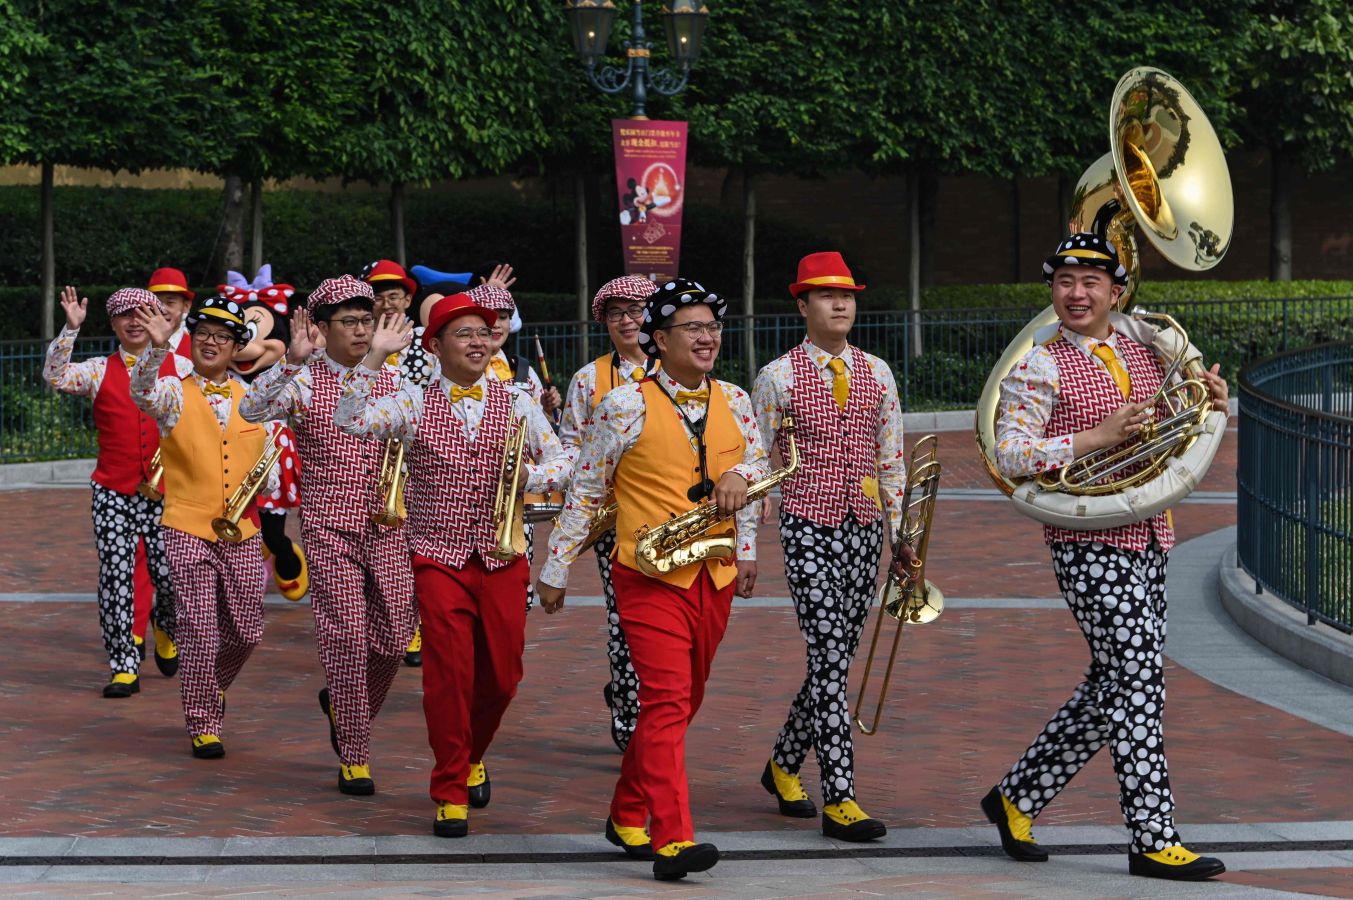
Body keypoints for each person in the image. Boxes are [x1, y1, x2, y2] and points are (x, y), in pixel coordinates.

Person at [984, 234, 1230, 881]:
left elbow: (1173, 418)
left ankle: (1016, 796)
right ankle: (1152, 836)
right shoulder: (1039, 365)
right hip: (1086, 539)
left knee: (1113, 684)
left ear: (1115, 292)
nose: (1075, 293)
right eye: (1063, 281)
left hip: (1149, 532)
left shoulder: (1145, 347)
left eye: (1090, 282)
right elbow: (1008, 454)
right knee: (1139, 684)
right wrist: (1092, 437)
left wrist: (1203, 399)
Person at [537, 277, 768, 881]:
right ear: (658, 340)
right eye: (692, 328)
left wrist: (745, 541)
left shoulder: (737, 399)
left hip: (712, 573)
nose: (707, 337)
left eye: (712, 328)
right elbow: (587, 489)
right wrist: (556, 568)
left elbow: (757, 462)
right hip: (647, 575)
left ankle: (626, 812)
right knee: (666, 700)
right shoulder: (623, 404)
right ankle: (673, 839)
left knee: (682, 702)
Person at [335, 292, 572, 838]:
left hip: (503, 553)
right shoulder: (412, 400)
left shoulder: (517, 401)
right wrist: (373, 357)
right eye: (463, 334)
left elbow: (561, 459)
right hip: (438, 558)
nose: (477, 342)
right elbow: (350, 419)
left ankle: (470, 755)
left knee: (505, 676)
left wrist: (525, 480)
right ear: (435, 345)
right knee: (448, 677)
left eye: (484, 333)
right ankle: (448, 789)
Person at [749, 251, 914, 842]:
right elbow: (755, 465)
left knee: (834, 659)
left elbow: (892, 460)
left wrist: (904, 538)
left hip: (864, 525)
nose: (840, 303)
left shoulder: (879, 371)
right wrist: (747, 546)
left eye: (847, 294)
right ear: (802, 305)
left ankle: (783, 764)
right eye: (825, 294)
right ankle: (840, 796)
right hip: (806, 525)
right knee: (827, 654)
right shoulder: (777, 376)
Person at [240, 274, 417, 795]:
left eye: (368, 319)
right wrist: (291, 361)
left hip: (390, 525)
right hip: (328, 526)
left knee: (392, 638)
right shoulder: (305, 377)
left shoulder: (397, 376)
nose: (362, 330)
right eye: (350, 321)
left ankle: (346, 707)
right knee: (345, 635)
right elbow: (252, 409)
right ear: (320, 328)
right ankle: (356, 754)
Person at [130, 295, 270, 760]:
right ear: (192, 340)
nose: (211, 342)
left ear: (236, 348)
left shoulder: (250, 398)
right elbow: (141, 392)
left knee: (248, 631)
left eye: (223, 337)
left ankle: (212, 687)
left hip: (241, 530)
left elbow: (265, 467)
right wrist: (154, 348)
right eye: (204, 333)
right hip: (185, 523)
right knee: (199, 629)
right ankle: (204, 723)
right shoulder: (172, 388)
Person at [43, 286, 187, 697]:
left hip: (169, 492)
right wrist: (70, 330)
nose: (134, 321)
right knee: (116, 577)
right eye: (124, 315)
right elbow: (54, 375)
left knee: (171, 577)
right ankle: (124, 664)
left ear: (160, 318)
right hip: (113, 491)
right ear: (113, 325)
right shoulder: (98, 370)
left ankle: (166, 627)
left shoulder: (182, 367)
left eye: (143, 313)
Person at [557, 275, 658, 752]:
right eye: (616, 312)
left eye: (635, 309)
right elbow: (570, 444)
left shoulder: (676, 368)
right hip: (613, 519)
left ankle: (635, 694)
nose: (627, 320)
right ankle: (629, 715)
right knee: (624, 619)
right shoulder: (588, 379)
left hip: (668, 513)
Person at [362, 258, 432, 667]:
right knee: (380, 544)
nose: (386, 303)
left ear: (408, 298)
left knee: (415, 543)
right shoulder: (360, 340)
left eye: (394, 295)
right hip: (370, 456)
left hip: (417, 457)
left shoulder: (426, 341)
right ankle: (387, 619)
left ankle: (414, 623)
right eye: (379, 296)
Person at [146, 267, 196, 358]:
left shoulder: (197, 347)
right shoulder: (137, 344)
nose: (163, 310)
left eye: (170, 302)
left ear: (186, 306)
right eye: (157, 302)